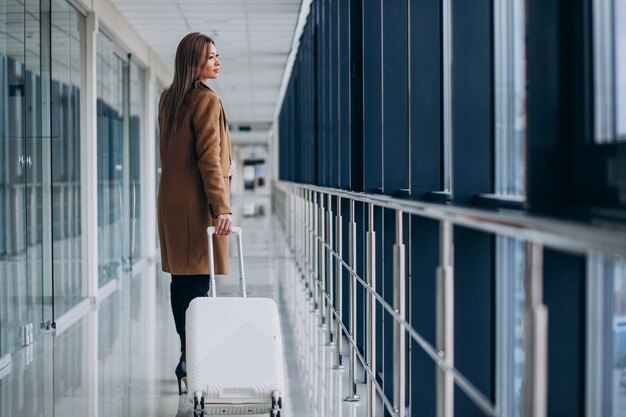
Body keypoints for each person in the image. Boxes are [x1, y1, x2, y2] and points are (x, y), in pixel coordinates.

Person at [157, 32, 235, 395]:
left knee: (182, 281)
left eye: (218, 56)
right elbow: (206, 157)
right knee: (199, 284)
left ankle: (188, 355)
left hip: (173, 203)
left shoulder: (170, 99)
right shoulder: (206, 100)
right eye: (211, 58)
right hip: (198, 204)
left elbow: (180, 155)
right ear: (194, 63)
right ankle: (193, 358)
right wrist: (222, 206)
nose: (218, 62)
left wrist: (225, 164)